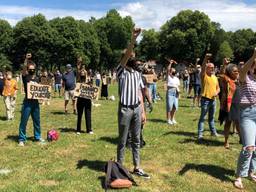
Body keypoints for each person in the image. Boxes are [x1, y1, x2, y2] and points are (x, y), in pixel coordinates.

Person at [116, 28, 150, 179]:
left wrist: (143, 111)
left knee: (136, 140)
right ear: (126, 58)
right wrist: (133, 39)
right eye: (131, 56)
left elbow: (139, 93)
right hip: (125, 109)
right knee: (123, 140)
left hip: (136, 108)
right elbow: (127, 55)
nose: (134, 58)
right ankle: (120, 167)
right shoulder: (120, 71)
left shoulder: (138, 74)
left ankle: (137, 166)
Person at [234, 48, 256, 189]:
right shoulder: (245, 78)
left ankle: (252, 171)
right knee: (248, 146)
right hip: (247, 114)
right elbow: (242, 71)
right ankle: (239, 176)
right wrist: (254, 55)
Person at [18, 54, 45, 147]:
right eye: (30, 68)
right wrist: (26, 59)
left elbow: (42, 89)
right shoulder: (25, 76)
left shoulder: (37, 78)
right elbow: (24, 68)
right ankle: (22, 139)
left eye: (33, 68)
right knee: (24, 121)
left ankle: (37, 136)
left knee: (37, 121)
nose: (32, 70)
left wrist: (43, 97)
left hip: (35, 102)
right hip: (27, 102)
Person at [218, 58, 241, 149]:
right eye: (234, 71)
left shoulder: (239, 80)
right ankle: (226, 141)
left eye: (237, 71)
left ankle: (241, 138)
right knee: (228, 123)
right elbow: (221, 75)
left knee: (238, 123)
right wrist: (224, 65)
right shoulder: (226, 79)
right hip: (229, 105)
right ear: (230, 72)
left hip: (238, 104)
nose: (236, 72)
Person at [197, 53, 220, 141]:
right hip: (205, 100)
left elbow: (218, 88)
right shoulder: (204, 75)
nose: (212, 68)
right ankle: (200, 134)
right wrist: (205, 58)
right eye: (210, 67)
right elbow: (202, 67)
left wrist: (216, 92)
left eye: (213, 67)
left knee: (211, 118)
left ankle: (213, 132)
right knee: (202, 118)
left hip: (213, 100)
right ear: (206, 68)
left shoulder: (214, 77)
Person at [76, 57, 93, 135]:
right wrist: (79, 63)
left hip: (87, 99)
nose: (83, 71)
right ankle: (78, 129)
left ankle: (89, 129)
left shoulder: (89, 79)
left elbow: (92, 89)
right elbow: (78, 70)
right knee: (79, 114)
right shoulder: (78, 80)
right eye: (81, 71)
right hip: (80, 99)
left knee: (88, 114)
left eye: (84, 70)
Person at [166, 59, 180, 125]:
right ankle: (168, 119)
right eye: (172, 71)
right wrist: (170, 63)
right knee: (169, 106)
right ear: (170, 72)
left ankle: (172, 118)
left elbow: (178, 86)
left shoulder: (176, 78)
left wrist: (178, 93)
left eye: (174, 71)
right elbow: (168, 69)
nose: (173, 72)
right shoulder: (168, 77)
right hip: (170, 92)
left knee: (175, 107)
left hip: (176, 92)